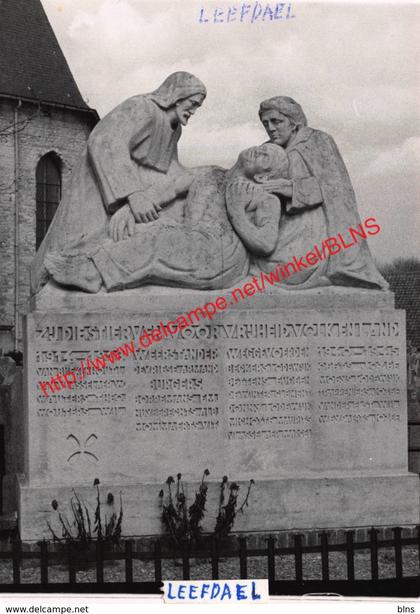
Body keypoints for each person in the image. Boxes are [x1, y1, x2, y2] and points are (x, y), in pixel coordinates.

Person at [31, 72, 207, 293]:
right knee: (83, 241)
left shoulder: (174, 130)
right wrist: (133, 195)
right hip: (103, 185)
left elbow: (169, 168)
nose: (193, 111)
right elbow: (105, 141)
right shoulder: (142, 108)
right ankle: (69, 273)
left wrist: (199, 179)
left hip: (135, 190)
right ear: (177, 97)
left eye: (197, 107)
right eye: (192, 104)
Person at [40, 145, 286, 292]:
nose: (260, 150)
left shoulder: (264, 198)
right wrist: (130, 207)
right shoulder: (210, 172)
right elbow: (171, 188)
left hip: (221, 255)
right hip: (191, 240)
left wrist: (237, 213)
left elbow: (265, 244)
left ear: (265, 178)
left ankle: (92, 274)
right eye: (263, 148)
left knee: (160, 239)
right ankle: (90, 264)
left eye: (267, 157)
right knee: (143, 232)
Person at [256, 96, 388, 289]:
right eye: (266, 123)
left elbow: (335, 189)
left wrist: (291, 189)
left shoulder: (317, 141)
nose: (271, 128)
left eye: (276, 121)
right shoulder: (267, 150)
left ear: (294, 122)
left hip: (314, 231)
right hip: (278, 228)